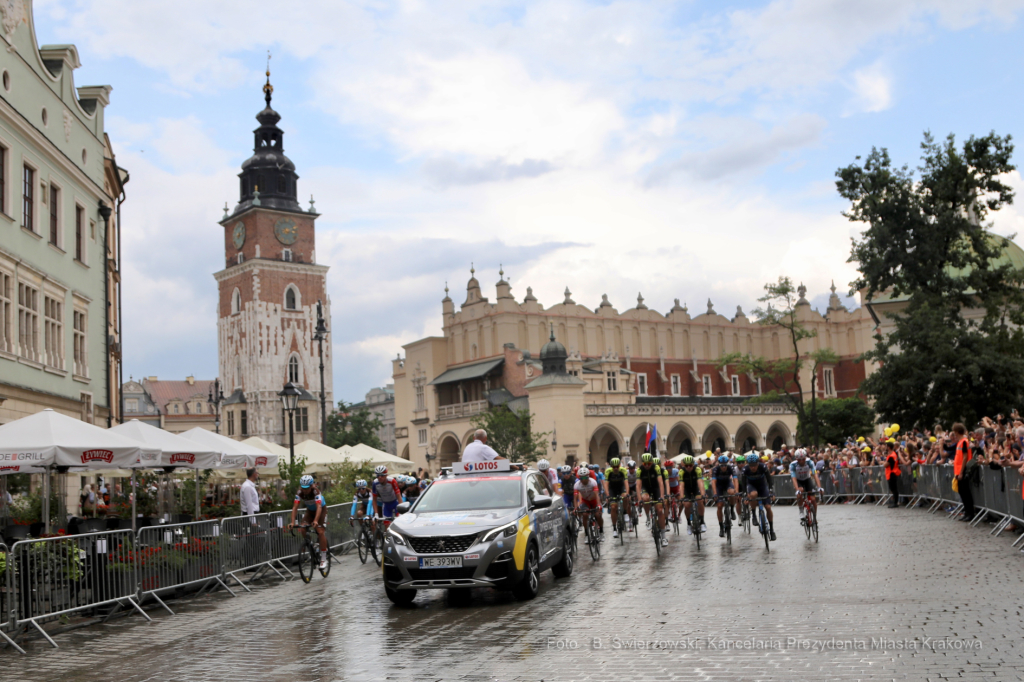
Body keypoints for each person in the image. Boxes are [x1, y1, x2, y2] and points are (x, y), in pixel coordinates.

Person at [286, 475, 328, 570]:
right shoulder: (300, 492)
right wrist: (292, 522)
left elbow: (319, 507)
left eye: (307, 488)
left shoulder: (315, 492)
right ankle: (311, 547)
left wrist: (316, 520)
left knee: (320, 531)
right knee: (303, 527)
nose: (305, 490)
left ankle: (323, 559)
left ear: (312, 485)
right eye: (303, 488)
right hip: (310, 511)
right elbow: (295, 507)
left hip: (320, 511)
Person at [636, 453, 668, 546]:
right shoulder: (640, 470)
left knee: (660, 510)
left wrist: (662, 496)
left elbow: (661, 483)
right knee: (645, 498)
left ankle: (664, 536)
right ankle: (648, 518)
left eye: (648, 463)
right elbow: (638, 486)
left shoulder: (656, 468)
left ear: (651, 462)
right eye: (645, 464)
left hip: (656, 488)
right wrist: (639, 499)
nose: (646, 465)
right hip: (646, 488)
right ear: (642, 463)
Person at [744, 453, 776, 541]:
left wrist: (771, 492)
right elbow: (743, 484)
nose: (753, 467)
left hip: (763, 486)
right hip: (752, 486)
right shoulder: (745, 469)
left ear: (758, 463)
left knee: (768, 507)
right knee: (753, 495)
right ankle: (754, 514)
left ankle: (772, 530)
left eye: (754, 465)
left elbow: (770, 480)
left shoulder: (763, 467)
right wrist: (745, 496)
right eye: (751, 466)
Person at [790, 449, 822, 522]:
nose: (801, 461)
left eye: (803, 459)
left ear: (805, 458)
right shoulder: (792, 465)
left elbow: (815, 475)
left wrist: (819, 487)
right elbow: (794, 478)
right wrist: (797, 490)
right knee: (800, 491)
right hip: (798, 480)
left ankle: (814, 517)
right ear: (796, 459)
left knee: (813, 499)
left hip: (807, 479)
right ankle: (801, 510)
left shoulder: (810, 462)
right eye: (799, 460)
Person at [952, 423, 975, 522]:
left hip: (963, 469)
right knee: (962, 492)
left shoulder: (964, 442)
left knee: (965, 493)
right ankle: (967, 513)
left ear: (957, 431)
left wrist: (961, 472)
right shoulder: (961, 442)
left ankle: (970, 513)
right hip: (959, 470)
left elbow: (965, 457)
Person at [574, 467, 604, 542]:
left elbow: (597, 495)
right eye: (582, 478)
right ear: (579, 478)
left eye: (585, 477)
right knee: (585, 515)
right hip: (585, 501)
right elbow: (575, 498)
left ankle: (601, 532)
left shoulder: (593, 482)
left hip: (594, 500)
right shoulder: (577, 485)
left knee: (598, 515)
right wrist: (576, 508)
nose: (584, 479)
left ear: (588, 476)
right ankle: (587, 535)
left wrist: (599, 505)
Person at [678, 455, 706, 535]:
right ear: (684, 466)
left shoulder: (697, 469)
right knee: (686, 505)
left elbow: (700, 483)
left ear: (693, 465)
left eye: (690, 465)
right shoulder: (681, 471)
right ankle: (689, 524)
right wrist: (681, 497)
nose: (689, 467)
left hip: (695, 488)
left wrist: (703, 495)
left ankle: (702, 522)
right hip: (686, 489)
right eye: (687, 466)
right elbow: (681, 486)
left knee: (700, 500)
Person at [712, 454, 737, 538]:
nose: (723, 467)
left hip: (727, 484)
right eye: (721, 465)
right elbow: (713, 482)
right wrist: (715, 493)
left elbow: (735, 479)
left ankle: (732, 509)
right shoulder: (715, 469)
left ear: (727, 464)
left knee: (732, 492)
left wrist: (736, 490)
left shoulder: (731, 468)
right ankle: (721, 527)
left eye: (725, 465)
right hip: (719, 486)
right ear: (719, 464)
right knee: (719, 506)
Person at [604, 458, 629, 537]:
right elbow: (606, 485)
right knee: (613, 507)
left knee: (625, 497)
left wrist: (627, 493)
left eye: (617, 466)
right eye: (613, 467)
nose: (615, 468)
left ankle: (625, 512)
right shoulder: (608, 471)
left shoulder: (623, 470)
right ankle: (614, 528)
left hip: (621, 488)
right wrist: (607, 495)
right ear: (611, 466)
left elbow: (626, 483)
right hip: (612, 490)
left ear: (619, 465)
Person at [884, 442, 902, 508]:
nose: (885, 447)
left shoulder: (891, 456)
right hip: (893, 472)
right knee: (894, 488)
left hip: (891, 473)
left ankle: (895, 502)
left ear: (888, 447)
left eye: (886, 446)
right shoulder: (893, 454)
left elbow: (885, 465)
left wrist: (884, 462)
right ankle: (895, 502)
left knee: (893, 489)